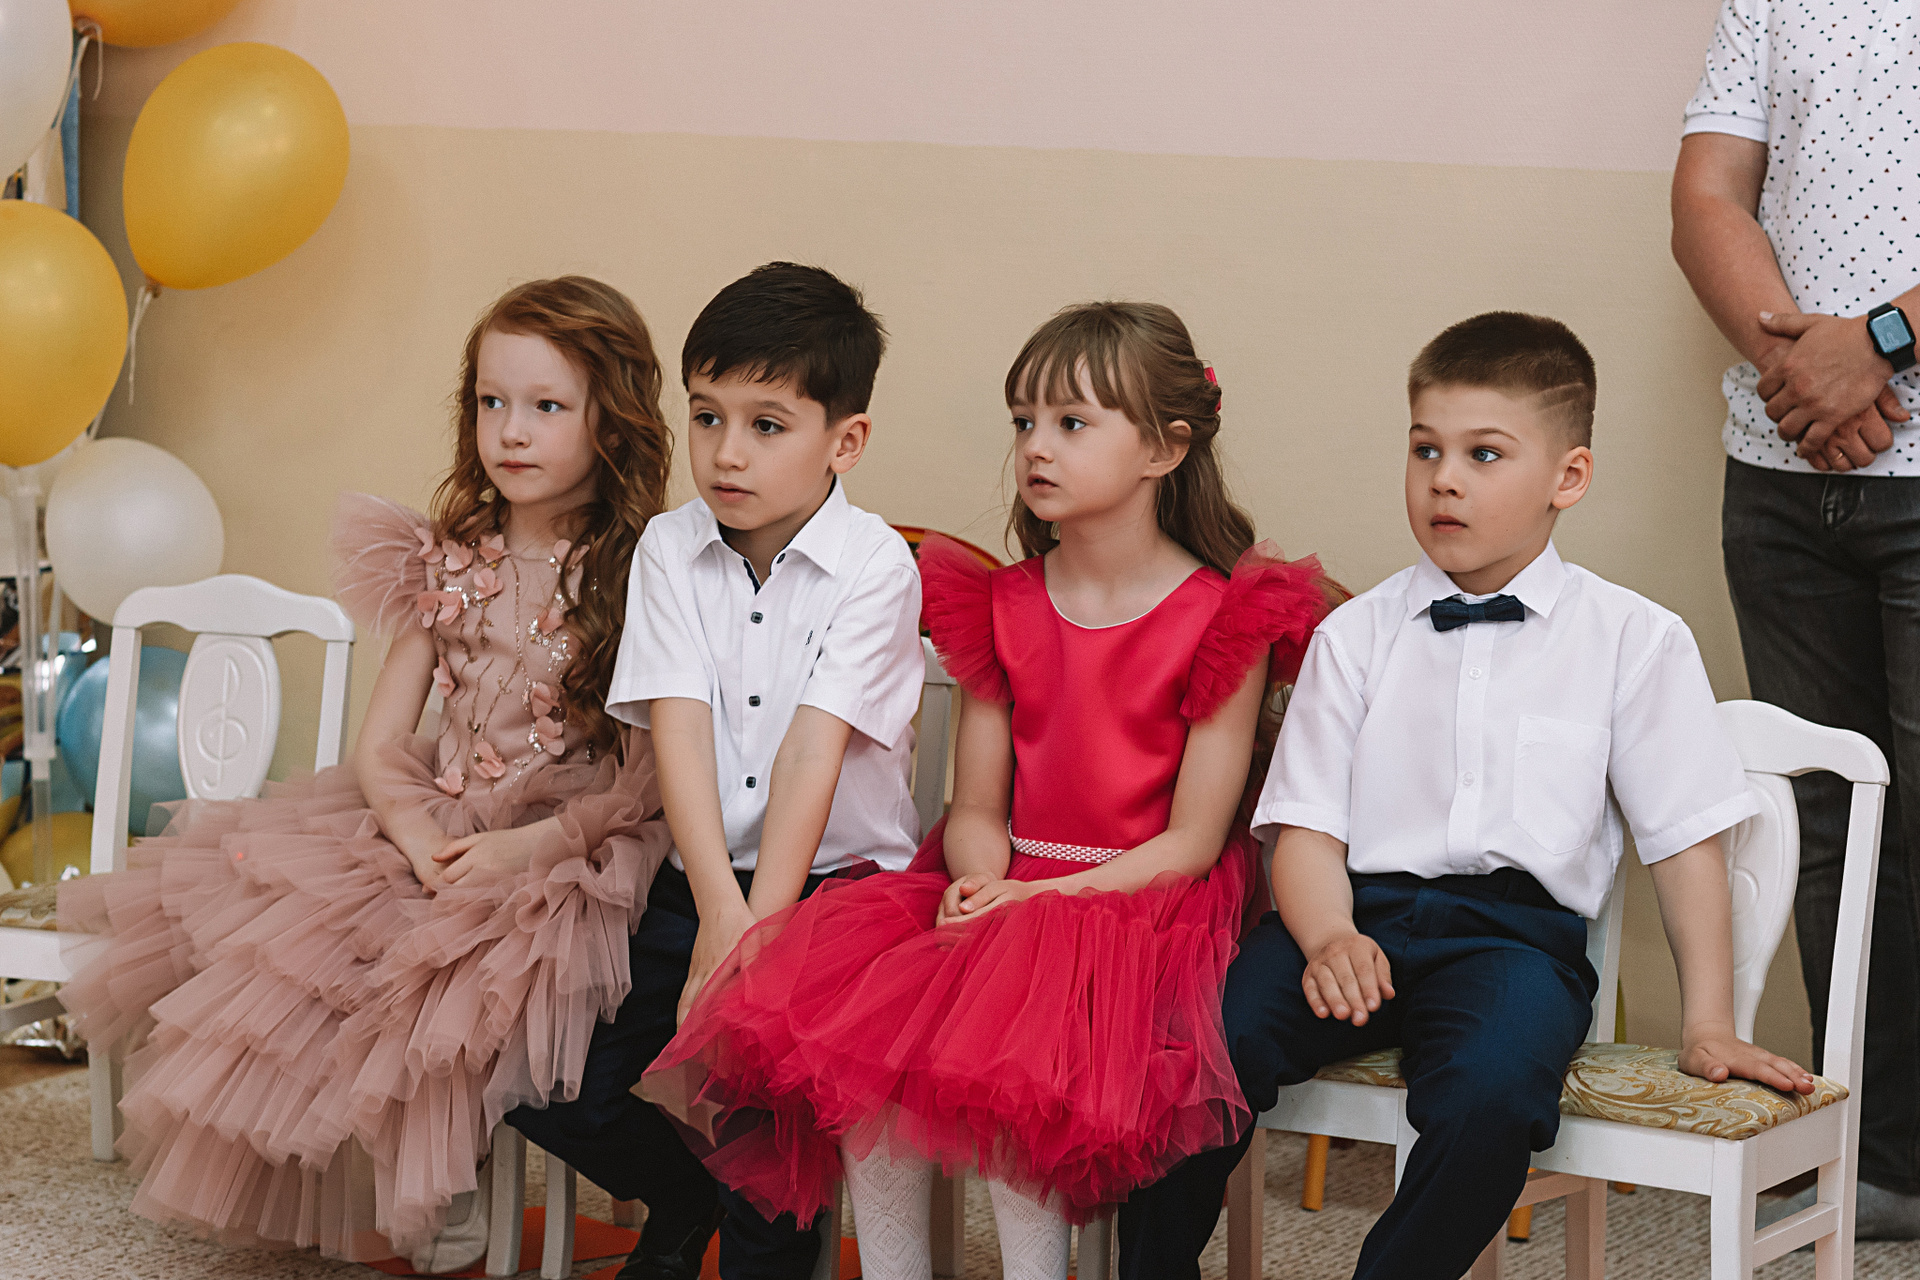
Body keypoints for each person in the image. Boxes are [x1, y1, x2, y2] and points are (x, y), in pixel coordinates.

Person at [640, 300, 1335, 1280]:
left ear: (1164, 448)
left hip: (1142, 909)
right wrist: (980, 877)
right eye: (1024, 421)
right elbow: (975, 809)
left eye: (1072, 423)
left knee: (1012, 1074)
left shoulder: (1223, 617)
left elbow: (1189, 842)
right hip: (1001, 880)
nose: (1036, 447)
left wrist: (1037, 901)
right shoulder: (1001, 602)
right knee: (872, 1066)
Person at [1116, 311, 1819, 1280]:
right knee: (1199, 1048)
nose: (1444, 478)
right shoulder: (1355, 636)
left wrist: (1707, 1022)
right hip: (1350, 918)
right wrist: (1329, 937)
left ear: (1569, 476)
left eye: (1484, 454)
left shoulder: (1633, 638)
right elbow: (1304, 827)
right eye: (1425, 450)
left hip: (1513, 942)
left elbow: (1684, 838)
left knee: (1491, 1096)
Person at [56, 276, 676, 1272]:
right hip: (440, 818)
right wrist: (417, 832)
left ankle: (454, 1176)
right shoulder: (449, 559)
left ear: (612, 420)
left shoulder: (646, 572)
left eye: (547, 406)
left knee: (466, 975)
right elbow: (382, 742)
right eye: (491, 401)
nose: (511, 431)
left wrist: (525, 846)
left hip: (567, 844)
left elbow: (646, 778)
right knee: (305, 941)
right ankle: (420, 1184)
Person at [505, 262, 925, 1280]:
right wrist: (717, 913)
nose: (726, 452)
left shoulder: (877, 564)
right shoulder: (670, 547)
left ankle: (757, 1243)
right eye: (706, 416)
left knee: (760, 1125)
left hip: (833, 892)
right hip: (699, 871)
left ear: (846, 441)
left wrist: (752, 933)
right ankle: (681, 1196)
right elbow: (680, 731)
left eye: (766, 425)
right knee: (549, 1075)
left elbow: (812, 749)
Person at [1671, 0, 1920, 1236]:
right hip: (1778, 471)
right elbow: (1707, 197)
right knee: (1828, 823)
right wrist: (1806, 375)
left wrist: (1879, 342)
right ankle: (1882, 1156)